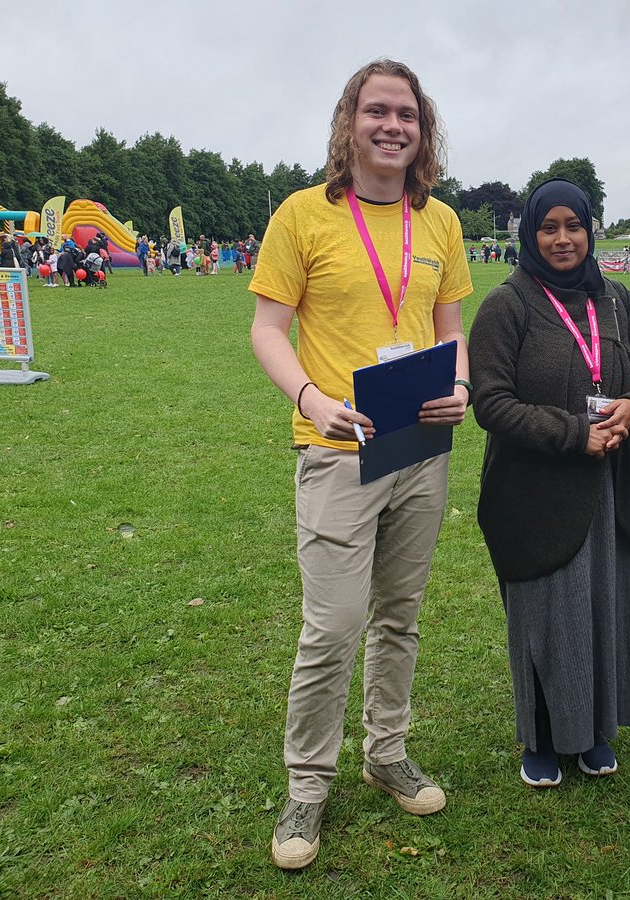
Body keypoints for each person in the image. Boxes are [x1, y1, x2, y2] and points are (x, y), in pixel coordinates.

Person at [249, 58, 472, 871]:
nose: (393, 126)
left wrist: (461, 382)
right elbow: (268, 329)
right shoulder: (303, 215)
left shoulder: (439, 222)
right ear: (350, 124)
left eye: (406, 114)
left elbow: (451, 327)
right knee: (332, 627)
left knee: (399, 615)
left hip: (418, 449)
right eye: (377, 111)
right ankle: (307, 783)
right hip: (336, 449)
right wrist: (310, 399)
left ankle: (386, 753)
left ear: (423, 129)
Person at [469, 179, 630, 789]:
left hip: (608, 486)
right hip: (535, 493)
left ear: (589, 229)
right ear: (530, 233)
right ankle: (545, 737)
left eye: (572, 226)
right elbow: (491, 403)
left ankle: (595, 729)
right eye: (548, 227)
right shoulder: (508, 304)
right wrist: (575, 433)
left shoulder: (618, 301)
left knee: (602, 605)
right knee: (548, 615)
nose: (562, 239)